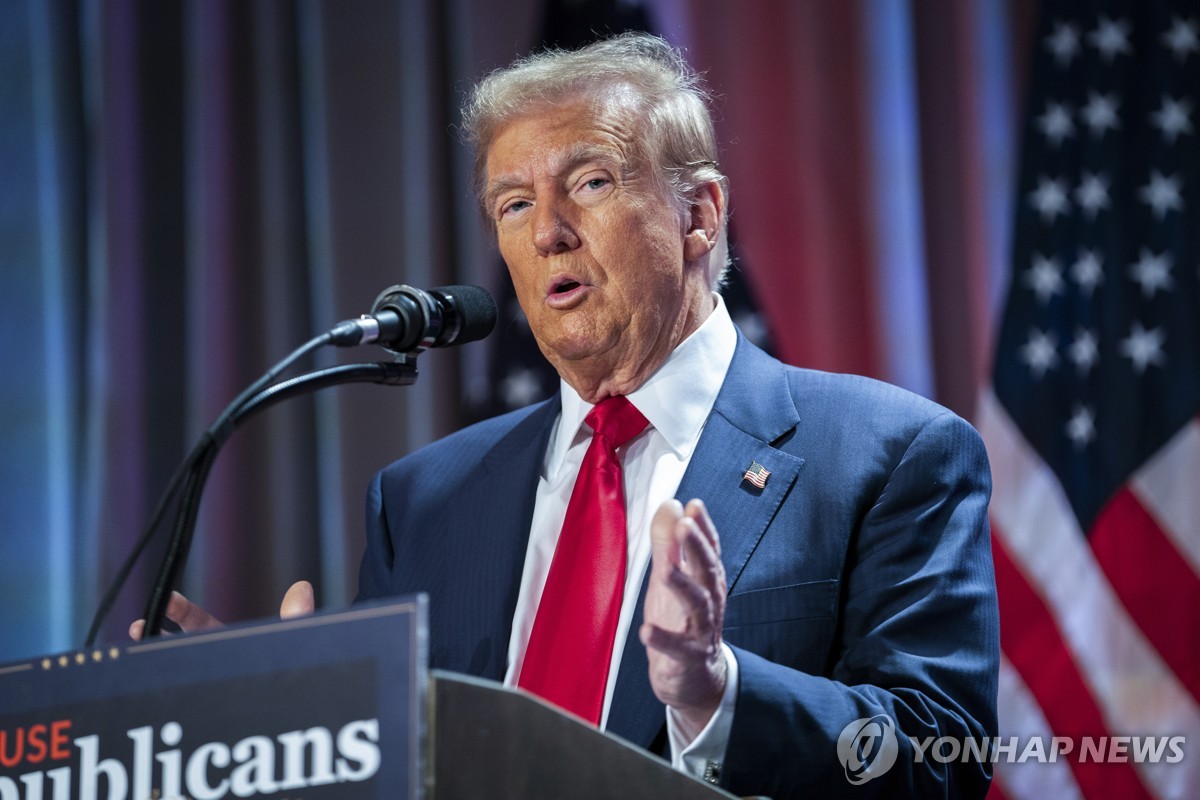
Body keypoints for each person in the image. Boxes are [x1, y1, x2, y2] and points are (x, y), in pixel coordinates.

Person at [143, 33, 999, 798]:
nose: (548, 231)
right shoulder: (423, 501)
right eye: (513, 204)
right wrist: (298, 726)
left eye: (589, 181)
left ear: (699, 216)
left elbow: (943, 759)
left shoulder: (887, 455)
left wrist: (716, 693)